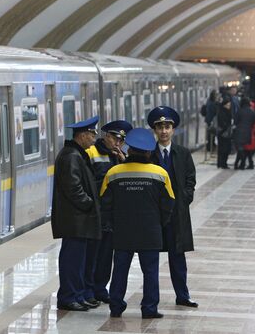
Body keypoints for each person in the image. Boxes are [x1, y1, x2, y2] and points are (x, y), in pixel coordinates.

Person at [100, 128, 174, 319]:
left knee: (120, 270)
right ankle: (149, 308)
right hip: (150, 232)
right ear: (149, 152)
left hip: (123, 232)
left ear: (129, 150)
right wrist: (159, 223)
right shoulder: (160, 173)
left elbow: (105, 204)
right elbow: (169, 204)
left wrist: (112, 224)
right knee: (150, 272)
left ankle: (116, 306)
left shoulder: (114, 172)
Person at [147, 106, 199, 308]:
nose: (164, 131)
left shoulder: (183, 153)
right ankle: (152, 300)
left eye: (167, 127)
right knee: (150, 259)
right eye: (160, 127)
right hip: (154, 216)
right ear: (155, 130)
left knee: (177, 257)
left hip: (177, 215)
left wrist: (185, 198)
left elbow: (190, 179)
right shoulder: (148, 155)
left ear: (173, 129)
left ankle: (183, 295)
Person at [52, 115, 102, 311]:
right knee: (72, 261)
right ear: (82, 135)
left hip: (78, 220)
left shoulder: (76, 153)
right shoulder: (71, 156)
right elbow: (74, 188)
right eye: (92, 134)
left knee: (78, 261)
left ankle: (77, 294)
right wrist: (89, 204)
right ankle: (68, 297)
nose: (94, 138)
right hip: (75, 220)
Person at [85, 120, 132, 304]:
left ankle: (100, 288)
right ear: (106, 137)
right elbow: (89, 182)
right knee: (92, 254)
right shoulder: (91, 153)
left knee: (106, 255)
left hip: (112, 215)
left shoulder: (120, 156)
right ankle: (88, 289)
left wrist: (124, 162)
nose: (118, 143)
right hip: (96, 212)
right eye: (115, 139)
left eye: (121, 140)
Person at [233, 97, 255, 169]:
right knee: (246, 148)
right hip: (248, 132)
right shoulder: (252, 112)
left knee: (240, 148)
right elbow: (253, 122)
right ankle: (245, 163)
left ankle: (241, 163)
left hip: (239, 131)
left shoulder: (239, 111)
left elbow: (235, 122)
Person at [216, 97, 233, 169]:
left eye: (229, 105)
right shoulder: (222, 113)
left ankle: (221, 163)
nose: (229, 107)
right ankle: (222, 163)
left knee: (222, 149)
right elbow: (223, 123)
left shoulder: (223, 111)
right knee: (224, 149)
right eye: (228, 105)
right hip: (223, 134)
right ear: (224, 105)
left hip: (224, 133)